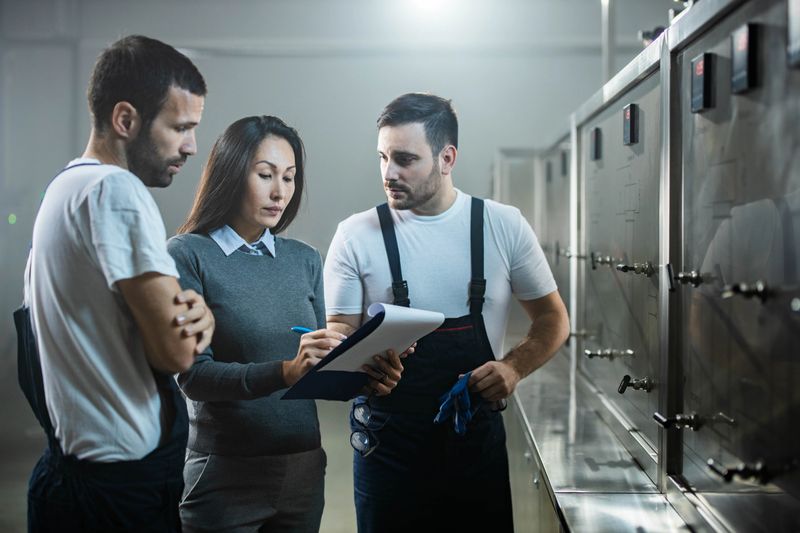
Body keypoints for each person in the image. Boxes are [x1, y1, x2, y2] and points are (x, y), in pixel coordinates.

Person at [323, 93, 570, 532]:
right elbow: (340, 330)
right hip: (386, 448)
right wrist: (360, 366)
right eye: (381, 157)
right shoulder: (355, 235)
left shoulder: (502, 224)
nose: (388, 173)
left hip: (472, 444)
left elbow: (553, 320)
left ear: (446, 158)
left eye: (404, 159)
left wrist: (512, 368)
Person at [167, 115, 404, 533]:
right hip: (224, 475)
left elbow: (318, 371)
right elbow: (194, 377)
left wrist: (369, 373)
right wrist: (284, 371)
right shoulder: (188, 255)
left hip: (303, 471)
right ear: (230, 173)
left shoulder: (304, 259)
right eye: (265, 175)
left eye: (290, 178)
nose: (280, 191)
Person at [22, 35, 214, 532]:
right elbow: (175, 353)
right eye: (180, 128)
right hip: (116, 493)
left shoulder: (65, 187)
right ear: (126, 119)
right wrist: (201, 319)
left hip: (71, 474)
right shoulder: (115, 190)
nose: (192, 146)